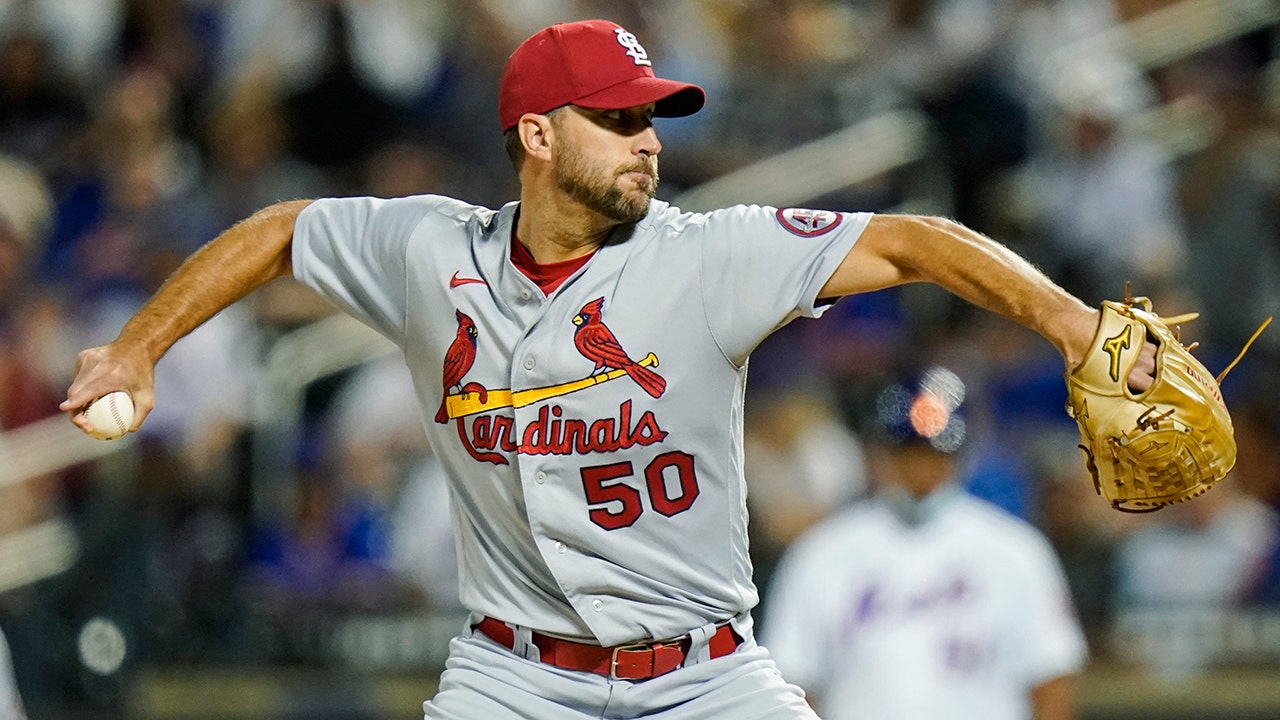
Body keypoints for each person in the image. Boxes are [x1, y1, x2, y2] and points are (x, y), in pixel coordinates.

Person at [61, 19, 1155, 720]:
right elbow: (283, 230)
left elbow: (913, 241)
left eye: (651, 117)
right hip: (513, 677)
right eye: (620, 117)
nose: (649, 139)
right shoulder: (429, 252)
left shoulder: (709, 257)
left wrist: (1070, 325)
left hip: (705, 676)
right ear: (538, 136)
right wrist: (139, 346)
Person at [761, 367, 1088, 720]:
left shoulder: (1016, 550)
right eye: (909, 452)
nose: (921, 469)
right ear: (882, 452)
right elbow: (792, 685)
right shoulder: (822, 553)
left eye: (935, 453)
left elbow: (1049, 683)